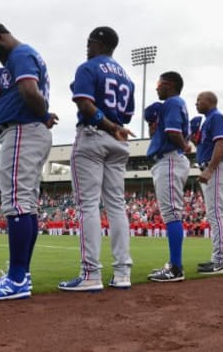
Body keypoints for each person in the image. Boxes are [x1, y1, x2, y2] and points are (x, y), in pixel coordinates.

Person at [0, 22, 58, 301]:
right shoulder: (24, 55)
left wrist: (43, 113)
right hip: (29, 129)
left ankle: (17, 279)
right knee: (27, 205)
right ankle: (21, 273)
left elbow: (30, 92)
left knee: (17, 203)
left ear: (0, 37)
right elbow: (25, 94)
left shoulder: (19, 54)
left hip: (22, 130)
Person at [57, 27, 135, 292]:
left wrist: (109, 125)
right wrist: (115, 127)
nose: (86, 46)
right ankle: (123, 272)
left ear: (97, 43)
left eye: (89, 42)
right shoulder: (127, 77)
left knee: (87, 205)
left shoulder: (88, 67)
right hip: (118, 140)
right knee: (116, 205)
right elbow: (127, 115)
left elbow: (85, 105)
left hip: (94, 135)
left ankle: (90, 273)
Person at [146, 71, 191, 282]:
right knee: (169, 214)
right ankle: (174, 265)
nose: (157, 87)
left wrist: (184, 146)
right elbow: (164, 133)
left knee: (172, 213)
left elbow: (173, 132)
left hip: (171, 159)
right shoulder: (173, 104)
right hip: (166, 160)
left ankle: (176, 268)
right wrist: (153, 125)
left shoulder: (173, 102)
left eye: (159, 83)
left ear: (170, 84)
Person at [194, 91, 223, 275]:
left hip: (215, 168)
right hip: (209, 167)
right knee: (212, 215)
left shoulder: (216, 117)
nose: (196, 103)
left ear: (209, 101)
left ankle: (219, 261)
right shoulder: (208, 120)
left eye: (199, 100)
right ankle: (216, 258)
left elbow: (221, 144)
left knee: (215, 215)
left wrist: (209, 169)